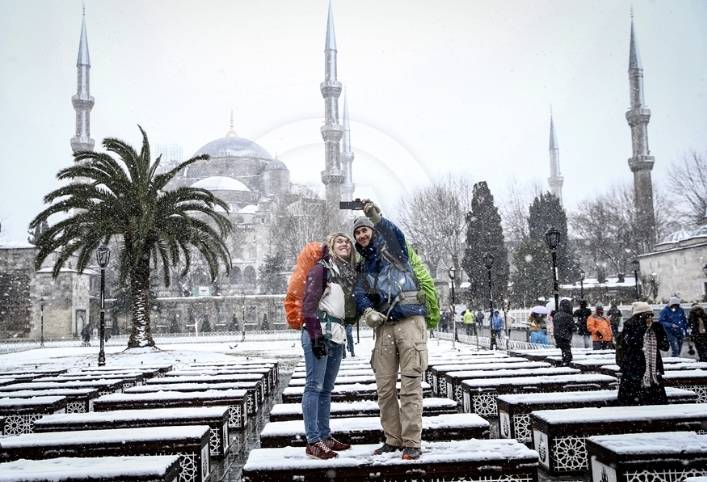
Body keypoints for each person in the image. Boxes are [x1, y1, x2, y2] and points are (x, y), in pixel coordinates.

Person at [353, 199, 428, 461]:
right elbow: (359, 292)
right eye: (358, 233)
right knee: (384, 387)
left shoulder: (394, 251)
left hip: (408, 322)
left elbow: (396, 234)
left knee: (410, 384)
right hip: (384, 326)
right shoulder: (364, 266)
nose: (362, 235)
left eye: (365, 230)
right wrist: (366, 310)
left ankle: (411, 441)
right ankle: (393, 439)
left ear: (372, 231)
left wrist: (377, 218)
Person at [300, 233, 357, 459]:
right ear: (331, 247)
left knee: (326, 389)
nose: (345, 244)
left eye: (347, 242)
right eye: (339, 241)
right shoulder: (321, 269)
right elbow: (309, 304)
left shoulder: (343, 274)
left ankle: (324, 435)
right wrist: (315, 336)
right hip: (320, 332)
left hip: (336, 335)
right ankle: (313, 441)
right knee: (314, 386)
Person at [617, 301, 668, 405]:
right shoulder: (629, 326)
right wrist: (642, 329)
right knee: (631, 401)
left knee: (656, 402)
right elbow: (630, 344)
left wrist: (658, 332)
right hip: (633, 369)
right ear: (638, 316)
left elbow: (665, 346)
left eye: (651, 315)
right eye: (646, 315)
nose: (649, 318)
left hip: (652, 370)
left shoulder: (655, 327)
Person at [553, 299, 575, 365]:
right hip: (565, 336)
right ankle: (566, 364)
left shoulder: (556, 315)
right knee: (567, 351)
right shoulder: (568, 316)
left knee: (563, 350)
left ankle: (564, 362)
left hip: (557, 335)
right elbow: (572, 327)